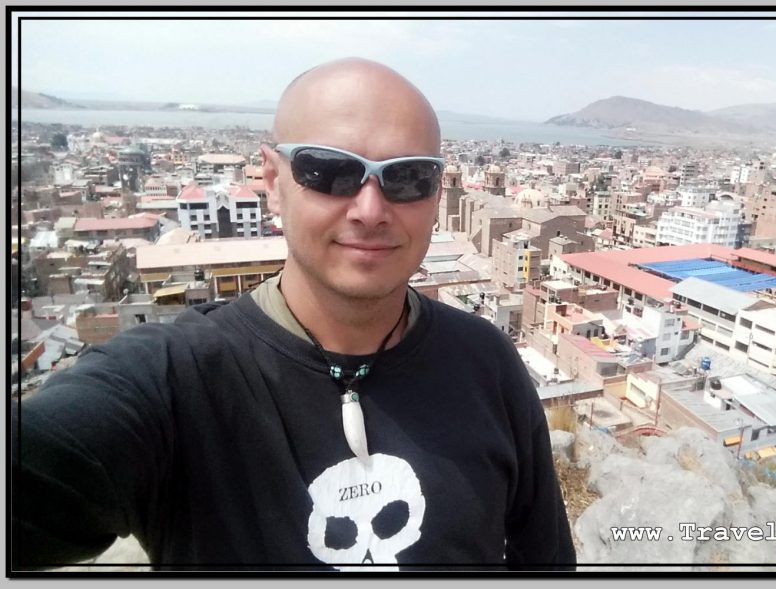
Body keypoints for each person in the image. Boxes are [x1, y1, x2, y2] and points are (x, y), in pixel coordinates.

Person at [12, 58, 576, 571]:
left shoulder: (486, 364)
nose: (371, 210)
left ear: (436, 193)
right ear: (273, 182)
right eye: (330, 171)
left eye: (408, 178)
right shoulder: (176, 382)